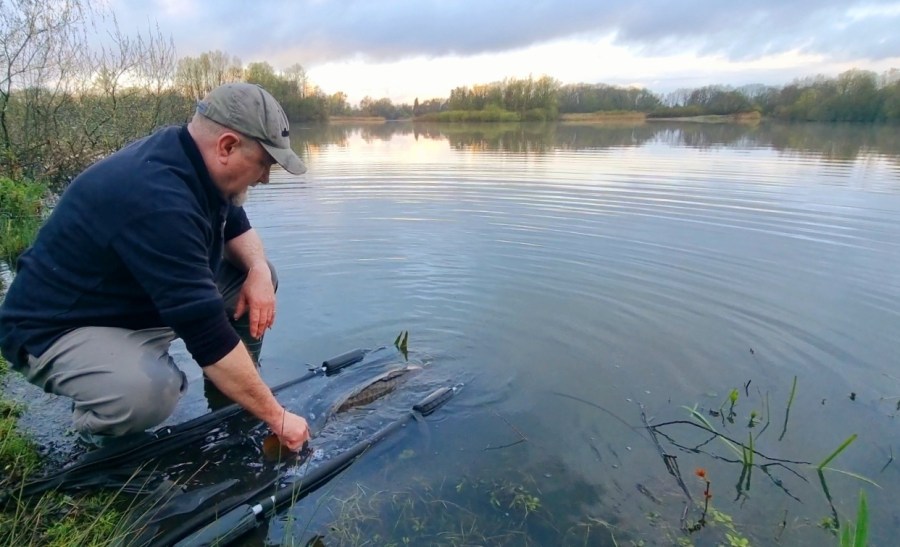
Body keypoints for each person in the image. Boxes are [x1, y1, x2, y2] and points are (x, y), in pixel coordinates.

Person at [0, 82, 310, 451]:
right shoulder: (158, 198)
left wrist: (257, 269)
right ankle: (102, 436)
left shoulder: (195, 160)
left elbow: (238, 229)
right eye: (264, 164)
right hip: (59, 327)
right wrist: (277, 417)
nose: (265, 178)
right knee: (151, 393)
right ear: (227, 146)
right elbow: (208, 337)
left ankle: (232, 394)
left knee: (257, 276)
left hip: (135, 302)